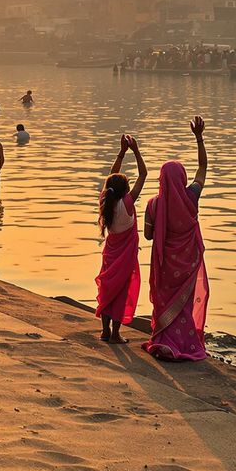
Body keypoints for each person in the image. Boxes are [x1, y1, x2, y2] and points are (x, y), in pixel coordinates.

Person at [143, 116, 209, 362]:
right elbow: (202, 169)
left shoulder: (153, 205)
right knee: (184, 307)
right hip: (187, 266)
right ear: (182, 179)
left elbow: (149, 236)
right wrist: (199, 138)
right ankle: (184, 343)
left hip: (165, 269)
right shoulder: (191, 197)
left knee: (165, 304)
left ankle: (163, 341)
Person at [95, 135, 146, 344]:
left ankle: (105, 331)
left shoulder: (105, 201)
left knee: (107, 291)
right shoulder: (128, 203)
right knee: (120, 292)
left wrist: (121, 153)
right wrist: (135, 151)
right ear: (126, 190)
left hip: (110, 254)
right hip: (125, 258)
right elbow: (143, 174)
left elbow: (111, 177)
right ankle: (115, 333)